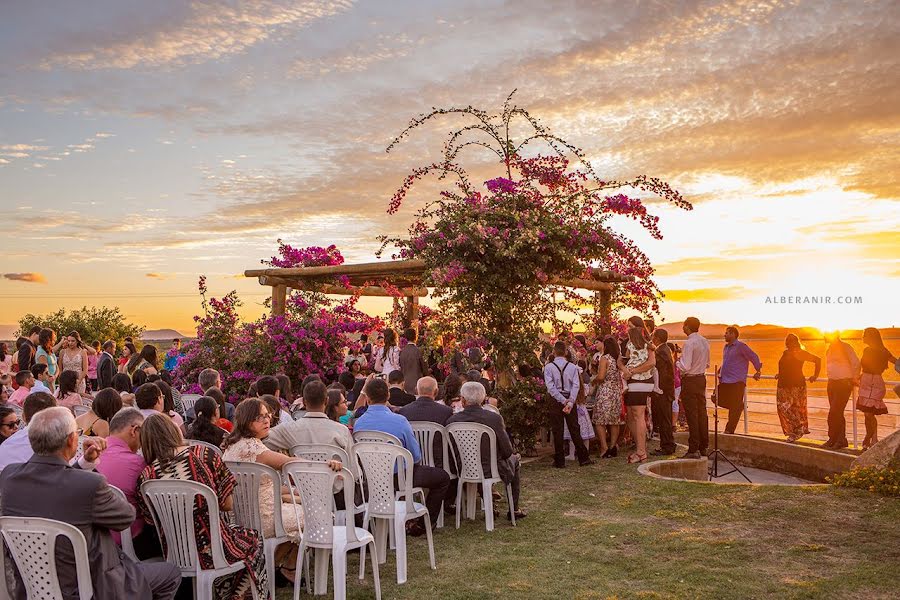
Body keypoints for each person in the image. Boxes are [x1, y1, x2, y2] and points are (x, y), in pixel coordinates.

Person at [0, 407, 181, 600]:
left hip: (32, 586)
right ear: (71, 440)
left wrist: (84, 464)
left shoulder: (9, 477)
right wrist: (91, 474)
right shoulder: (89, 485)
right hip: (95, 587)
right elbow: (125, 517)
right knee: (170, 574)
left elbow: (56, 481)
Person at [137, 413, 268, 599]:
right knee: (253, 540)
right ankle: (237, 595)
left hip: (174, 553)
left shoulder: (146, 476)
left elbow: (151, 520)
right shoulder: (204, 455)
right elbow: (227, 504)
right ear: (172, 431)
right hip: (215, 548)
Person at [222, 399, 325, 585]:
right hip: (264, 518)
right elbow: (293, 462)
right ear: (246, 420)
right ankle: (276, 566)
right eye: (259, 417)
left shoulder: (231, 447)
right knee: (316, 513)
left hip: (238, 517)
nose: (266, 420)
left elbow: (264, 487)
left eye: (267, 415)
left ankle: (276, 567)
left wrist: (293, 493)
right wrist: (328, 465)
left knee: (302, 503)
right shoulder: (255, 448)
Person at [354, 377, 450, 535]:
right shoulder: (399, 421)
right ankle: (423, 525)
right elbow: (415, 455)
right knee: (442, 478)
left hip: (372, 479)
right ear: (388, 396)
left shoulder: (359, 424)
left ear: (368, 398)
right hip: (401, 478)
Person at [447, 381, 526, 520]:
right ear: (483, 399)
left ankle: (491, 505)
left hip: (463, 468)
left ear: (463, 400)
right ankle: (514, 509)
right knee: (514, 459)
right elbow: (507, 451)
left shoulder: (452, 421)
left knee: (486, 461)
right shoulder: (494, 418)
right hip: (491, 468)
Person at [94, 407, 163, 559]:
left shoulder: (89, 457)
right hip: (130, 544)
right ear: (134, 430)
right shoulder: (138, 464)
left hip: (96, 542)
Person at [264, 380, 354, 455]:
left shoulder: (288, 430)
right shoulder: (342, 431)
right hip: (332, 475)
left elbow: (261, 441)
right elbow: (354, 471)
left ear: (304, 401)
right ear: (326, 401)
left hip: (299, 475)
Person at [544, 341, 592, 467]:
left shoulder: (549, 367)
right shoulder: (572, 367)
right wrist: (570, 400)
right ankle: (583, 458)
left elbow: (550, 387)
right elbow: (576, 385)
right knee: (574, 428)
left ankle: (560, 461)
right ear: (566, 352)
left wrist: (561, 399)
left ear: (554, 352)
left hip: (555, 399)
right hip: (570, 398)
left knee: (557, 430)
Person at [618, 322, 655, 463]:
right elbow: (621, 361)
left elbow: (652, 363)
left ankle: (641, 452)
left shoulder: (645, 343)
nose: (628, 329)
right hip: (637, 381)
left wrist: (631, 371)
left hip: (639, 382)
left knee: (638, 415)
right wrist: (624, 369)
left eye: (631, 326)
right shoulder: (632, 343)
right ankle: (640, 448)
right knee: (633, 415)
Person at [775, 333, 821, 443]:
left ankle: (796, 431)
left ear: (796, 342)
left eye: (791, 340)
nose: (789, 342)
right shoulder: (785, 353)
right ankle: (796, 429)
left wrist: (815, 375)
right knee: (782, 407)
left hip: (796, 385)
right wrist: (779, 373)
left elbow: (818, 360)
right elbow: (784, 366)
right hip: (783, 384)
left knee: (793, 408)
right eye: (787, 340)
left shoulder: (800, 353)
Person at [675, 317, 711, 459]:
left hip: (690, 380)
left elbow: (685, 366)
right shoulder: (705, 341)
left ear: (688, 327)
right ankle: (704, 446)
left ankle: (693, 448)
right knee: (702, 413)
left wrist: (677, 362)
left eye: (684, 325)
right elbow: (707, 363)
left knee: (692, 414)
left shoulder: (689, 343)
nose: (683, 328)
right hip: (701, 379)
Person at [856, 327, 897, 450]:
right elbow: (864, 366)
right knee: (867, 413)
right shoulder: (866, 350)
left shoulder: (883, 351)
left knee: (869, 413)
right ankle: (874, 439)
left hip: (876, 383)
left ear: (871, 337)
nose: (863, 338)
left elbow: (895, 361)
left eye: (865, 335)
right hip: (865, 382)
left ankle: (867, 439)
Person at [717, 326, 762, 435]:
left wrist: (758, 370)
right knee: (717, 398)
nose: (724, 335)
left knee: (734, 406)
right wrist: (720, 371)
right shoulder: (726, 347)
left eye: (727, 333)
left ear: (733, 334)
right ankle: (739, 406)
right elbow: (727, 361)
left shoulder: (741, 346)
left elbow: (754, 357)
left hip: (737, 381)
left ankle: (729, 430)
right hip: (725, 381)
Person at [824, 331, 860, 449]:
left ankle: (834, 439)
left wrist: (854, 377)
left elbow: (856, 363)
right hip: (832, 383)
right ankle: (839, 440)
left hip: (843, 383)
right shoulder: (829, 349)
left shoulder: (846, 347)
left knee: (834, 412)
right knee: (837, 413)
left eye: (826, 333)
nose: (824, 336)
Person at [590, 336, 623, 458]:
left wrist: (594, 380)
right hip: (616, 391)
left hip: (605, 391)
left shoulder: (605, 358)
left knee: (599, 420)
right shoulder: (617, 359)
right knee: (614, 421)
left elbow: (601, 376)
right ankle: (613, 446)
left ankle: (604, 447)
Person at [649, 329, 677, 455]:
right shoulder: (665, 349)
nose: (652, 338)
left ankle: (667, 446)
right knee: (665, 419)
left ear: (658, 338)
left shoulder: (660, 351)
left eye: (653, 336)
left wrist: (658, 389)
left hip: (663, 392)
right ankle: (668, 444)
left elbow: (662, 373)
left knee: (664, 419)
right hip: (667, 391)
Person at [399, 327, 428, 396]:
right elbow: (425, 369)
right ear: (415, 336)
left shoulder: (402, 351)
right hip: (417, 383)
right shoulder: (419, 351)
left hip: (405, 383)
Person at [34, 327, 58, 392]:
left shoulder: (50, 350)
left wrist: (55, 376)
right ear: (48, 339)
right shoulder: (41, 353)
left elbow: (56, 366)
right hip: (46, 383)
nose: (54, 340)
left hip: (52, 380)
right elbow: (45, 372)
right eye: (53, 338)